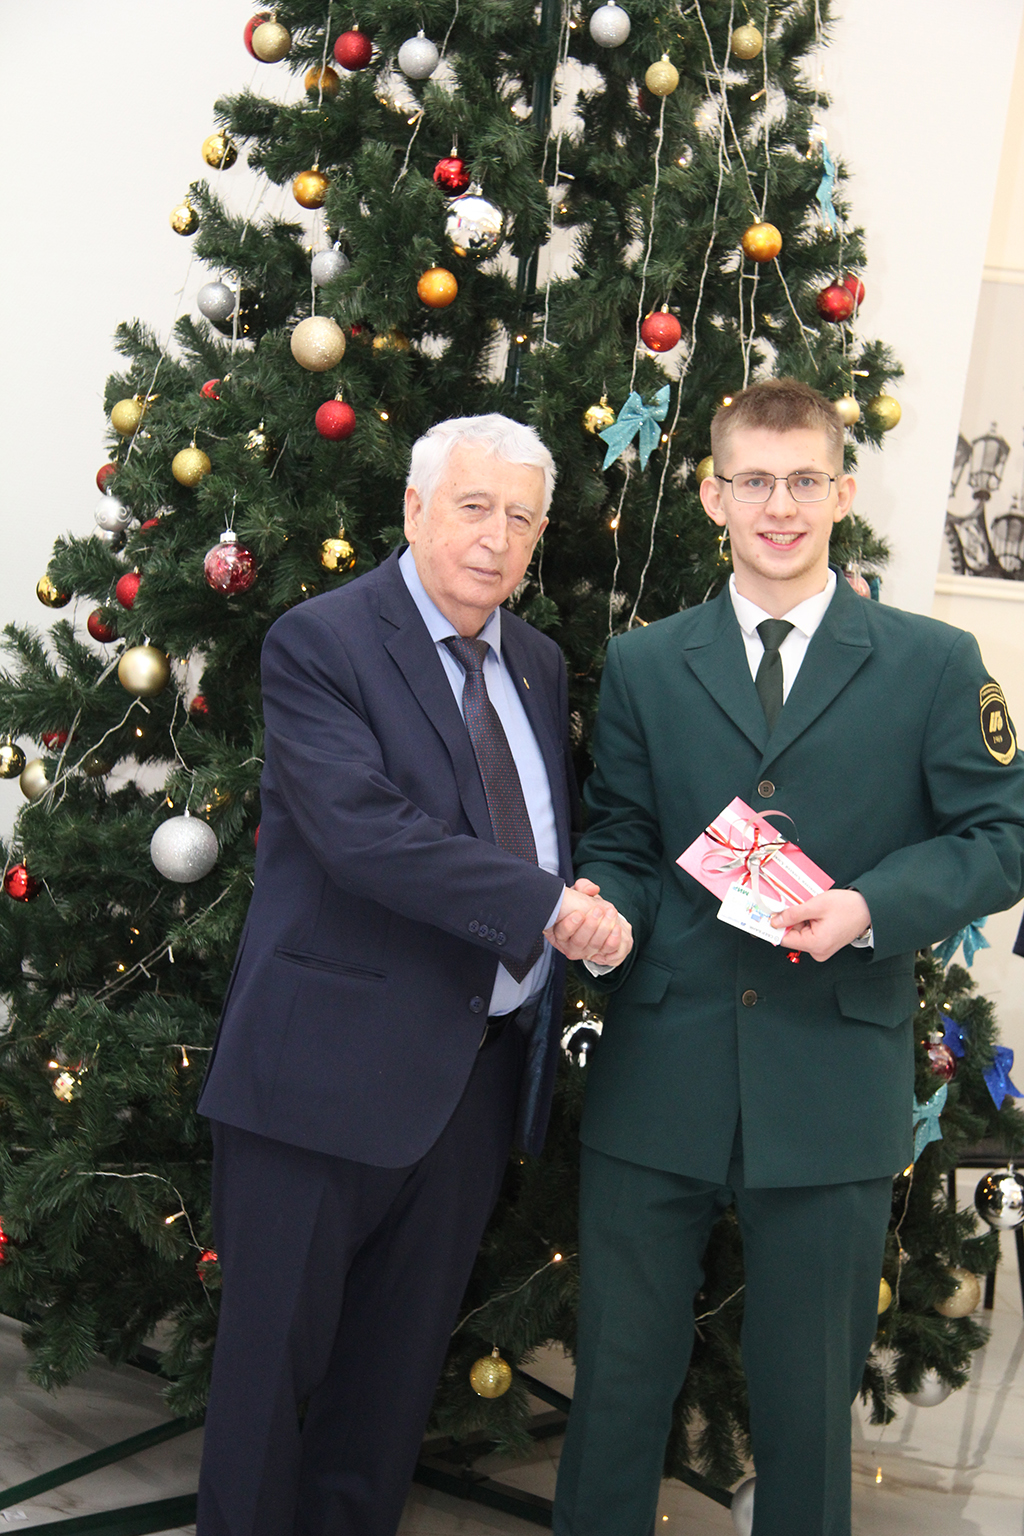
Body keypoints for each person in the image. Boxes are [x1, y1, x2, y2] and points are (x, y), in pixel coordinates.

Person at [552, 378, 1024, 1536]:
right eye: (754, 481)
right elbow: (621, 840)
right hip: (659, 1071)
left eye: (804, 480)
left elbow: (1001, 835)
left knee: (808, 1405)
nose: (779, 505)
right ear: (712, 495)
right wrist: (604, 907)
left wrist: (868, 905)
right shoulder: (647, 663)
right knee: (615, 1388)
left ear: (842, 494)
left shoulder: (931, 662)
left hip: (830, 1078)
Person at [196, 413, 631, 1536]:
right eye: (474, 507)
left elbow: (534, 827)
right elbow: (364, 834)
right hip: (320, 1078)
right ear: (414, 508)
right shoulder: (321, 641)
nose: (496, 538)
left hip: (472, 1083)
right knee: (266, 1392)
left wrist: (578, 898)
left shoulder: (534, 663)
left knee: (386, 1397)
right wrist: (547, 910)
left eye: (521, 518)